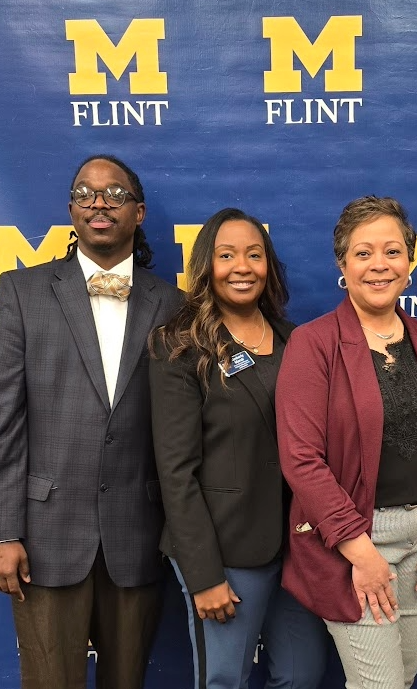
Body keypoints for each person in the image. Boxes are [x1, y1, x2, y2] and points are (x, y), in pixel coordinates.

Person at [0, 154, 182, 689]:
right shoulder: (22, 293)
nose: (99, 203)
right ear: (71, 210)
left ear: (138, 212)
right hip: (44, 540)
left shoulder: (174, 306)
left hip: (138, 535)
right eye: (85, 193)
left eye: (114, 194)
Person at [276, 196, 417, 689]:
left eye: (392, 252)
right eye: (363, 253)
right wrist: (360, 551)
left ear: (410, 262)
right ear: (342, 265)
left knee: (401, 682)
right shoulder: (314, 342)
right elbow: (301, 460)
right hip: (354, 545)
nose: (379, 265)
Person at [148, 208, 328, 689]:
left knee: (301, 675)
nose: (242, 266)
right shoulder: (180, 346)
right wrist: (204, 574)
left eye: (254, 254)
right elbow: (175, 471)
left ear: (269, 265)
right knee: (224, 680)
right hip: (225, 551)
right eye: (227, 255)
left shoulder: (300, 341)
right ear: (207, 265)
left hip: (298, 547)